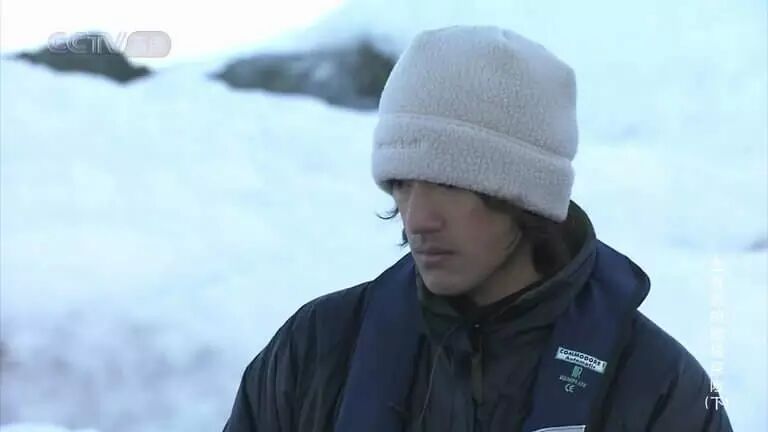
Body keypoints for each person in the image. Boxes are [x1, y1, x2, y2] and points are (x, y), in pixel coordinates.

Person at [222, 25, 733, 431]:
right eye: (401, 183)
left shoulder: (660, 390)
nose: (417, 219)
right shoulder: (316, 349)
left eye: (449, 184)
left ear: (526, 195)